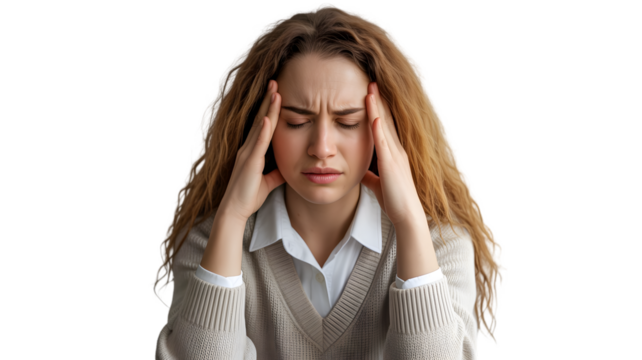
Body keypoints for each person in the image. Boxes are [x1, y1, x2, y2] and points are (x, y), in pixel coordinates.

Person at [152, 2, 507, 359]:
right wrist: (230, 219)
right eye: (296, 121)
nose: (322, 149)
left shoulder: (442, 244)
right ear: (263, 127)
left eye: (348, 122)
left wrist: (410, 224)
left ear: (389, 130)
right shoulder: (207, 242)